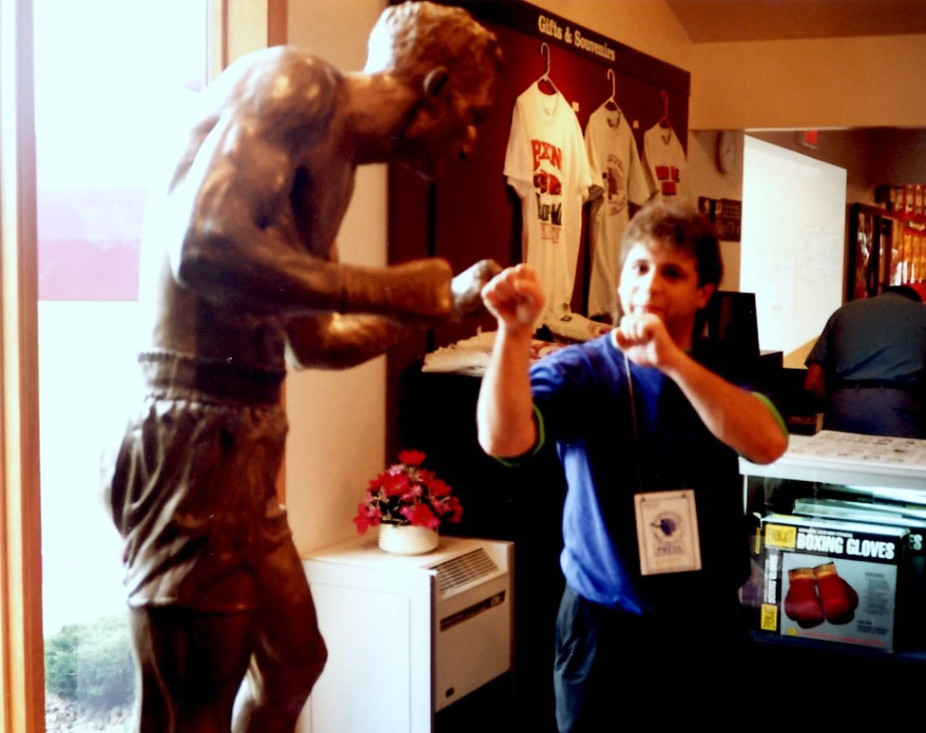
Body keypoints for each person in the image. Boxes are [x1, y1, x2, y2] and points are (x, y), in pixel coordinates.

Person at [101, 4, 502, 732]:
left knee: (293, 661)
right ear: (435, 87)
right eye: (472, 116)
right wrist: (389, 286)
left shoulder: (335, 161)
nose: (471, 143)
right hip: (190, 428)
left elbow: (317, 343)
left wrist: (439, 302)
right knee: (194, 702)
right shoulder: (300, 85)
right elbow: (204, 243)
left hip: (247, 436)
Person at [475, 202, 788, 730]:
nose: (652, 285)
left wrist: (672, 362)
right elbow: (502, 439)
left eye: (672, 272)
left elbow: (767, 444)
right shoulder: (581, 369)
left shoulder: (719, 369)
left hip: (705, 626)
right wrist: (511, 332)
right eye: (639, 269)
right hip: (602, 624)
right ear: (621, 283)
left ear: (704, 292)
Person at [803, 286, 926, 438]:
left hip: (842, 406)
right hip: (897, 409)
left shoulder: (843, 312)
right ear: (915, 301)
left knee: (839, 461)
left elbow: (813, 381)